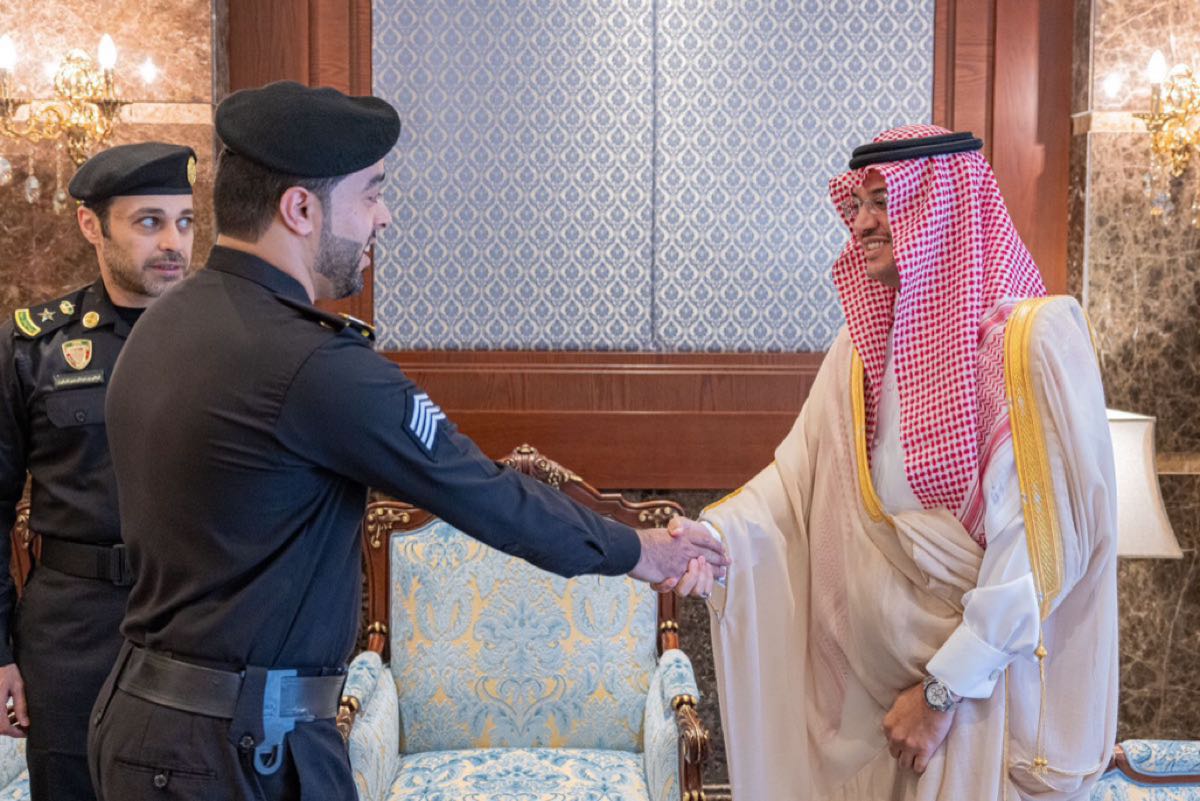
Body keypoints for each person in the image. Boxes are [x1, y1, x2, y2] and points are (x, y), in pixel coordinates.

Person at [88, 81, 726, 801]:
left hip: (145, 721)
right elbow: (483, 493)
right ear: (300, 209)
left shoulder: (163, 324)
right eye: (371, 193)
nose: (383, 216)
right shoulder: (312, 365)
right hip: (234, 751)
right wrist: (643, 550)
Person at [667, 125, 1118, 800]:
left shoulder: (1028, 347)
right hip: (877, 704)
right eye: (858, 204)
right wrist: (715, 537)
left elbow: (1037, 553)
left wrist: (942, 691)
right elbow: (795, 483)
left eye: (884, 202)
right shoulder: (859, 348)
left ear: (942, 207)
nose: (862, 224)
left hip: (976, 701)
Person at [0, 142, 197, 800]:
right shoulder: (35, 348)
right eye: (149, 222)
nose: (172, 242)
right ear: (92, 225)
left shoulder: (227, 343)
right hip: (73, 629)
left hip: (196, 623)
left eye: (185, 221)